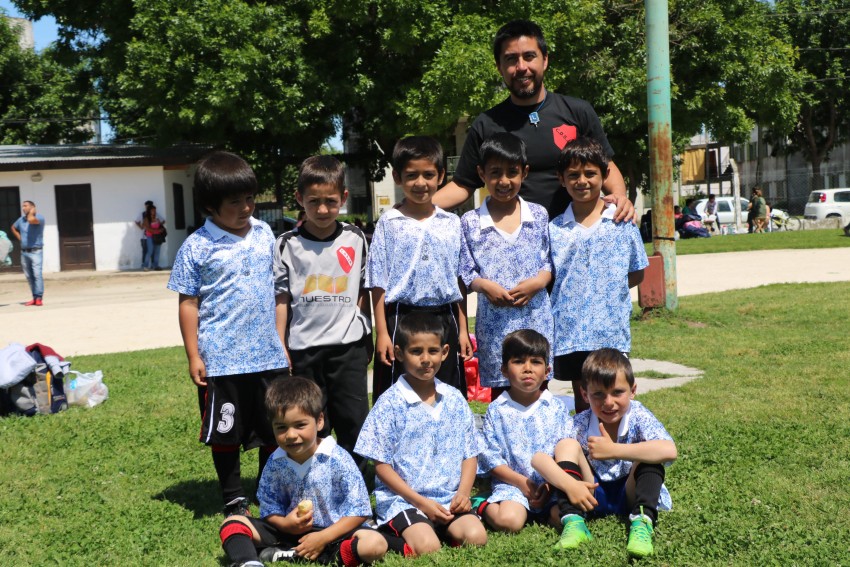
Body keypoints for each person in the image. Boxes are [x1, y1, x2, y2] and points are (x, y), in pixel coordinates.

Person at [167, 151, 290, 517]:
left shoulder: (265, 233)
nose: (246, 207)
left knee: (273, 429)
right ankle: (234, 497)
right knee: (227, 432)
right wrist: (194, 355)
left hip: (267, 356)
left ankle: (268, 490)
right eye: (235, 201)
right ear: (210, 205)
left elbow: (278, 292)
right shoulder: (197, 246)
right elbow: (188, 303)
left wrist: (280, 343)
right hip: (222, 361)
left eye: (250, 197)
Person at [433, 19, 633, 223]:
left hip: (574, 235)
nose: (521, 67)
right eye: (511, 59)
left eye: (529, 56)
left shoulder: (578, 112)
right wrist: (414, 208)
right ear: (499, 67)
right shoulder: (486, 124)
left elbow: (606, 165)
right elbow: (462, 185)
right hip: (518, 241)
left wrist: (620, 197)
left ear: (545, 60)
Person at [354, 312, 487, 556]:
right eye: (416, 352)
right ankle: (387, 533)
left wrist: (463, 494)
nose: (426, 359)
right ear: (400, 352)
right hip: (404, 500)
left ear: (445, 352)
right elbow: (381, 465)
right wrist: (421, 503)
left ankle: (438, 527)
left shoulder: (454, 399)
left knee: (477, 537)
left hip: (448, 498)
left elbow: (470, 453)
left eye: (433, 351)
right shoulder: (390, 403)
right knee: (428, 547)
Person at [219, 377, 388, 567]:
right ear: (271, 426)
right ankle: (249, 562)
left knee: (375, 544)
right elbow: (269, 508)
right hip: (288, 533)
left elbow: (360, 511)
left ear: (319, 421)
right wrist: (286, 525)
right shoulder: (275, 462)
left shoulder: (337, 458)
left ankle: (317, 555)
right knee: (232, 523)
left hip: (334, 533)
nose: (291, 435)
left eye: (300, 425)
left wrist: (323, 537)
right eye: (281, 427)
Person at [273, 156, 371, 471]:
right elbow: (282, 299)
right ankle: (316, 474)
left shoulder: (355, 238)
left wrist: (358, 327)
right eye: (314, 201)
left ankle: (355, 475)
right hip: (304, 349)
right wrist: (281, 345)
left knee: (352, 417)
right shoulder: (286, 244)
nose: (323, 209)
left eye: (331, 201)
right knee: (312, 418)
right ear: (299, 199)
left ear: (343, 198)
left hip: (348, 349)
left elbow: (362, 291)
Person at [532, 349, 677, 558]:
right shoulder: (580, 422)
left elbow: (669, 450)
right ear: (584, 394)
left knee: (652, 455)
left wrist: (615, 450)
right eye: (598, 394)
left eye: (618, 392)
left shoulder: (638, 415)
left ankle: (642, 523)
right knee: (566, 445)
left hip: (630, 493)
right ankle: (574, 522)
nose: (608, 402)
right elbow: (538, 459)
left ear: (633, 390)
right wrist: (569, 484)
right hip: (590, 494)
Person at [365, 136, 472, 400]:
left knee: (447, 394)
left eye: (428, 174)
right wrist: (382, 333)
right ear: (397, 177)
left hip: (445, 318)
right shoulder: (389, 223)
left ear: (441, 176)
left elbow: (459, 280)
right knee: (398, 396)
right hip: (402, 318)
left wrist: (463, 329)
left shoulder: (451, 223)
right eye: (411, 175)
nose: (420, 183)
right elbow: (377, 280)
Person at [549, 138, 648, 414]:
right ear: (562, 179)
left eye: (590, 173)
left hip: (610, 331)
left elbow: (636, 272)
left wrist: (605, 290)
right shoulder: (554, 229)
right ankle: (588, 454)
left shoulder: (621, 223)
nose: (582, 181)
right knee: (584, 400)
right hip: (571, 332)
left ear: (604, 176)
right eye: (573, 175)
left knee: (612, 398)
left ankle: (616, 453)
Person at [459, 132, 553, 397]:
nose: (504, 181)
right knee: (502, 396)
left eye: (512, 172)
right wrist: (483, 285)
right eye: (495, 172)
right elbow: (465, 271)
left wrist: (538, 282)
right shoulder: (469, 222)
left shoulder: (538, 214)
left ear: (524, 172)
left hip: (536, 321)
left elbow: (548, 261)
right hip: (494, 326)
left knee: (538, 390)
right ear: (481, 174)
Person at [474, 329, 575, 533]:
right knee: (509, 522)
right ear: (504, 370)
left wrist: (549, 484)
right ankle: (481, 504)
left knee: (564, 517)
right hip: (512, 484)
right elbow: (490, 458)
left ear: (547, 371)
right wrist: (522, 483)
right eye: (518, 361)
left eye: (535, 362)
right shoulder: (497, 409)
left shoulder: (555, 408)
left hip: (553, 484)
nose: (527, 369)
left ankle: (547, 509)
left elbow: (567, 450)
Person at [10, 200, 45, 306]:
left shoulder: (39, 218)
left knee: (37, 275)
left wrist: (32, 212)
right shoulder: (21, 220)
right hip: (24, 252)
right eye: (22, 206)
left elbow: (31, 220)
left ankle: (39, 298)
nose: (23, 208)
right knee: (29, 276)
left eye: (25, 206)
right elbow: (13, 228)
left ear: (32, 207)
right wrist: (20, 238)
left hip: (36, 252)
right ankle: (34, 297)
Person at [142, 203, 166, 271]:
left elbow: (160, 225)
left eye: (155, 210)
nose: (154, 212)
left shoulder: (157, 218)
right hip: (150, 237)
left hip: (157, 237)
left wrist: (161, 229)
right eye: (153, 210)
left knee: (157, 252)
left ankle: (155, 265)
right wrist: (157, 230)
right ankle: (145, 266)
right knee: (150, 251)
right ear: (149, 211)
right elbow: (148, 228)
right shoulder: (146, 219)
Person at [135, 200, 154, 269]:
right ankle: (144, 265)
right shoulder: (143, 214)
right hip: (144, 236)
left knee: (152, 250)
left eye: (148, 207)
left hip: (152, 235)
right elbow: (137, 221)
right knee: (145, 250)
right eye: (146, 207)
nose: (146, 208)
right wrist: (141, 227)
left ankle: (152, 265)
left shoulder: (155, 214)